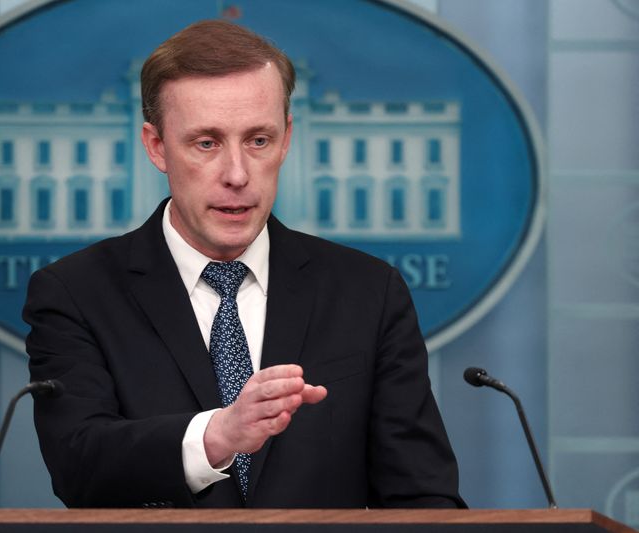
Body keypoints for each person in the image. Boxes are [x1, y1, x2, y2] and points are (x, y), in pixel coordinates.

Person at [23, 19, 464, 509]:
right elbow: (79, 465)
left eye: (258, 140)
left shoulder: (368, 291)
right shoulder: (76, 292)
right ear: (156, 146)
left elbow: (423, 495)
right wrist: (216, 437)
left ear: (287, 138)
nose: (237, 174)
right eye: (206, 143)